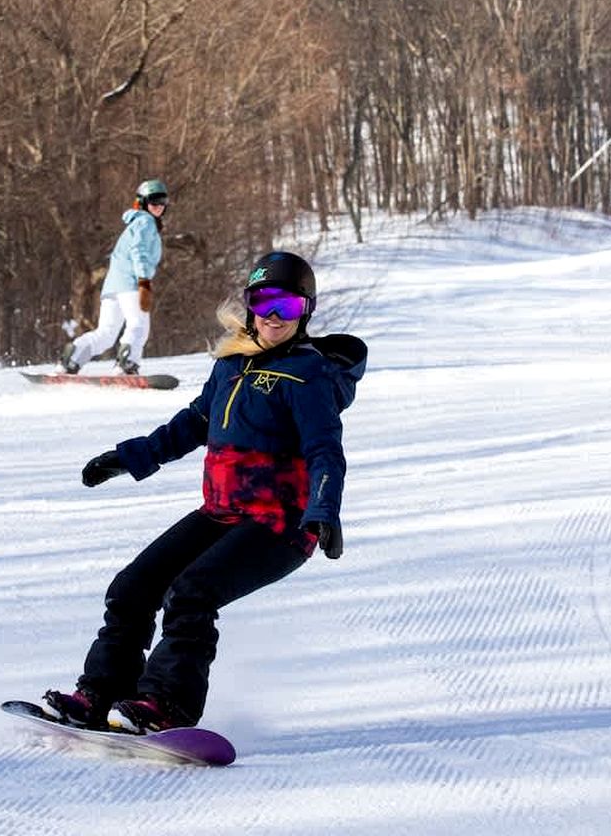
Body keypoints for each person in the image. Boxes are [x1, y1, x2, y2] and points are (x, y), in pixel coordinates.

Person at [42, 251, 367, 733]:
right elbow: (194, 422)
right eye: (264, 302)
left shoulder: (309, 374)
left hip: (280, 524)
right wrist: (129, 457)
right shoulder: (231, 364)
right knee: (133, 586)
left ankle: (166, 704)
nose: (274, 316)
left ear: (307, 312)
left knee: (192, 592)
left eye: (289, 307)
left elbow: (325, 449)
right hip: (221, 513)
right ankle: (102, 693)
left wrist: (324, 511)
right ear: (250, 305)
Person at [60, 179, 170, 376]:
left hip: (113, 286)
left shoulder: (135, 223)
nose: (159, 206)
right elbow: (139, 251)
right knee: (138, 324)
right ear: (143, 203)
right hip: (131, 283)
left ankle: (71, 359)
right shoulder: (145, 222)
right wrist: (144, 280)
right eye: (154, 201)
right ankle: (126, 364)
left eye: (163, 201)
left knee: (106, 334)